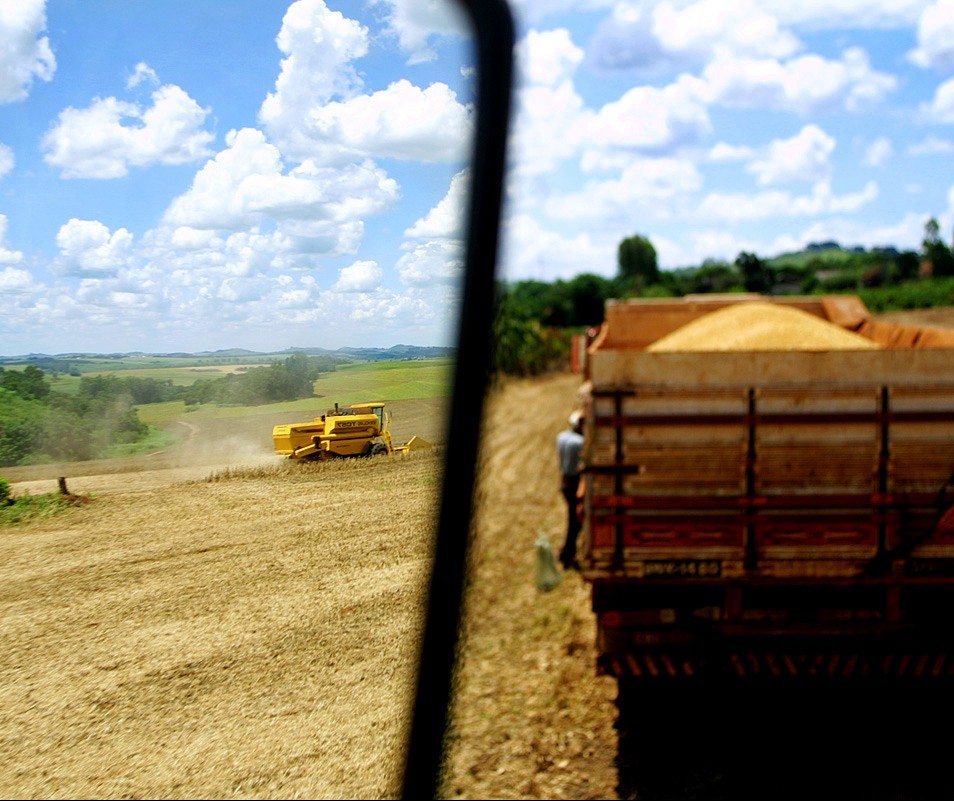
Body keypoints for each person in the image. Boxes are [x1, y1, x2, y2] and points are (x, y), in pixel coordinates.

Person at [556, 409, 585, 569]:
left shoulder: (561, 437)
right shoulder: (580, 442)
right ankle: (567, 553)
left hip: (564, 481)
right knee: (575, 521)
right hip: (575, 483)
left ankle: (566, 552)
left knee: (572, 518)